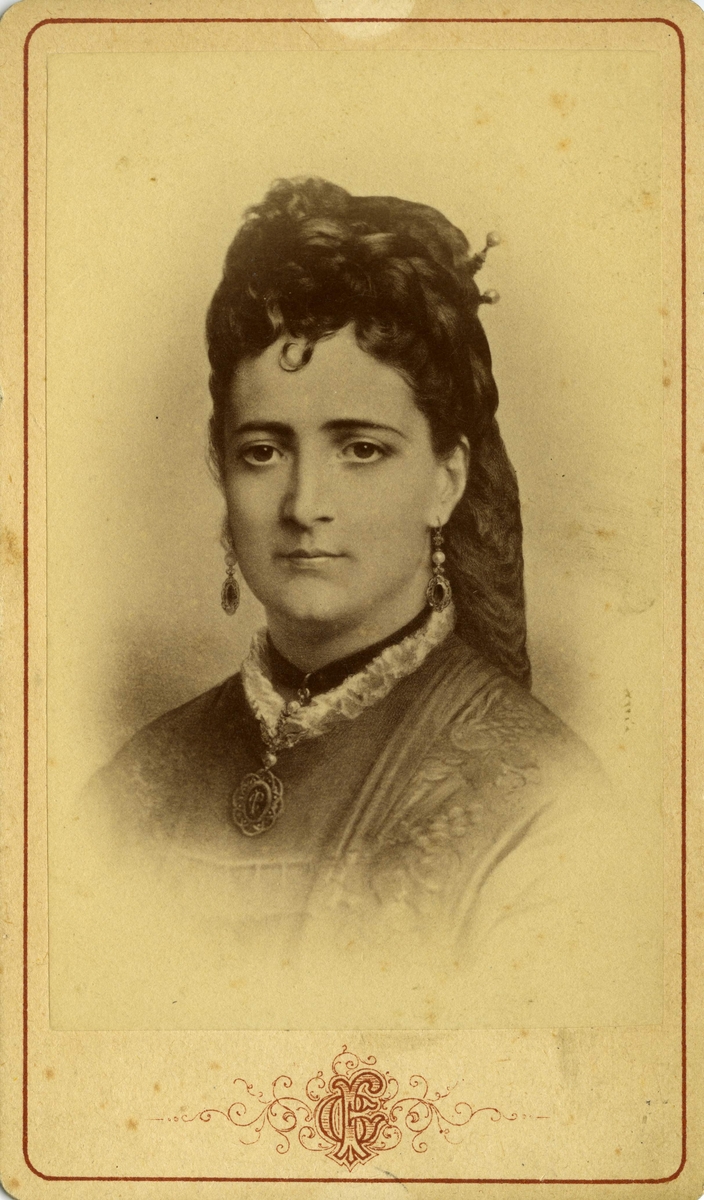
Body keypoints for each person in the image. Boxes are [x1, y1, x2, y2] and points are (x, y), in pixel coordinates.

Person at [78, 178, 655, 1030]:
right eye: (264, 450)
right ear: (221, 469)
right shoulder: (133, 786)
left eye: (360, 449)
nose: (305, 503)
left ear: (446, 479)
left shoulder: (546, 809)